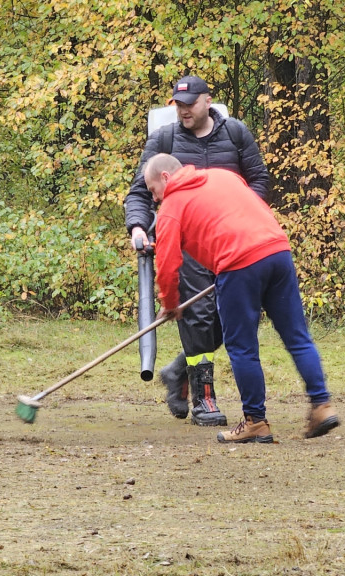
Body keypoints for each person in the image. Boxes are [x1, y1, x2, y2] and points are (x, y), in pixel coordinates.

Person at [144, 153, 339, 443]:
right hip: (277, 251)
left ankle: (255, 422)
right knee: (298, 337)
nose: (155, 199)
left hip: (238, 264)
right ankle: (322, 406)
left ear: (166, 178)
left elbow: (168, 262)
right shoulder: (224, 176)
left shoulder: (172, 205)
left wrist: (169, 302)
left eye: (152, 191)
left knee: (242, 347)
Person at [125, 75, 269, 426]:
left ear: (208, 102)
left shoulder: (235, 133)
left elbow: (259, 180)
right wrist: (138, 226)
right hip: (187, 241)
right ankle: (204, 398)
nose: (184, 110)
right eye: (179, 105)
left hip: (231, 243)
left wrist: (243, 217)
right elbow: (140, 191)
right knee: (199, 316)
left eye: (190, 104)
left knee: (236, 317)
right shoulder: (165, 138)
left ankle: (177, 371)